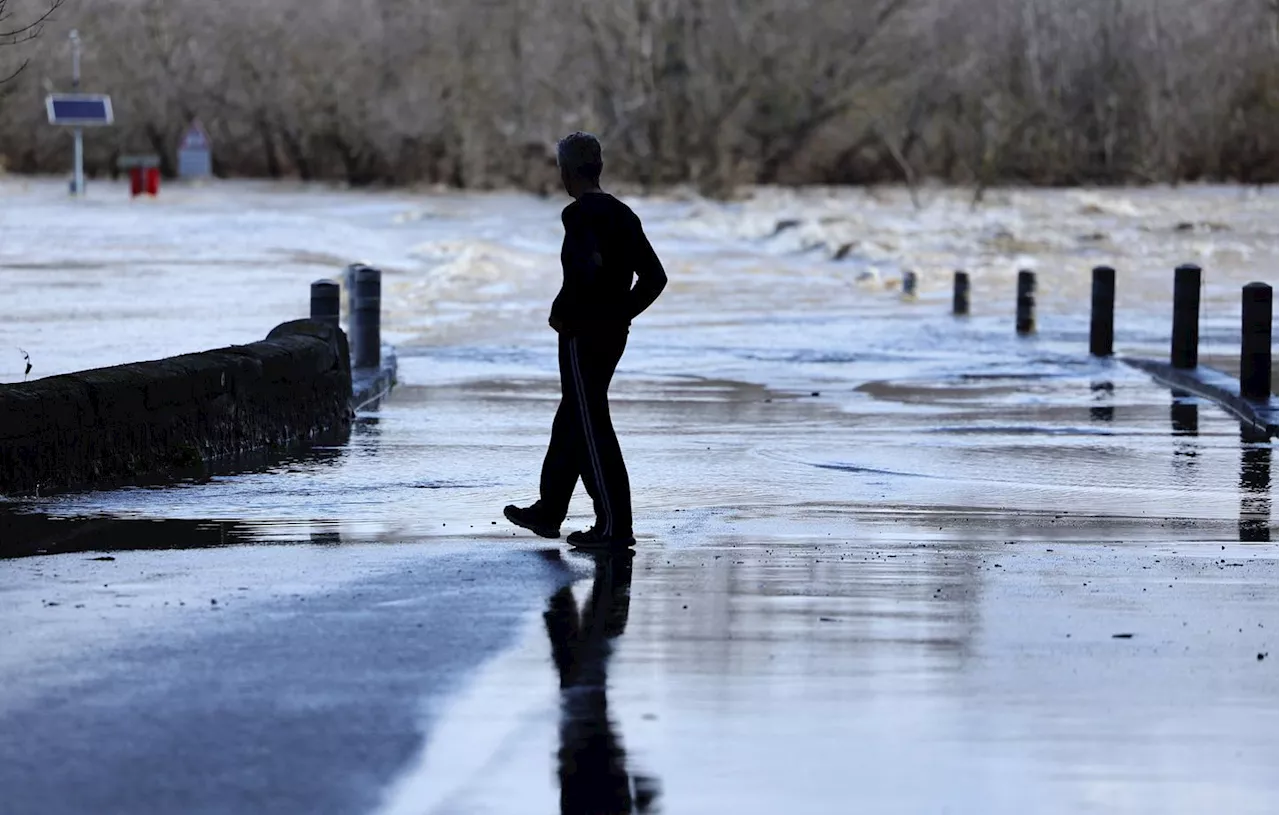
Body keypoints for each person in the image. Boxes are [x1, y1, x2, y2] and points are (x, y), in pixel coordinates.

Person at [504, 133, 667, 548]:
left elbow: (584, 271)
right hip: (610, 334)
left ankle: (614, 526)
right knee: (573, 418)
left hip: (583, 336)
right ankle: (550, 510)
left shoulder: (578, 215)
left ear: (567, 172)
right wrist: (621, 314)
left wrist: (573, 314)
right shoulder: (624, 214)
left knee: (592, 425)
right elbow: (654, 278)